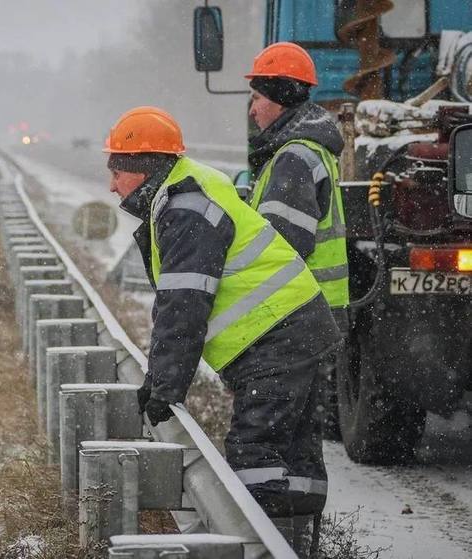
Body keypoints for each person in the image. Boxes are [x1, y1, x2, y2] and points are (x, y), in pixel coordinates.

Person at [104, 106, 340, 554]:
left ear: (142, 167)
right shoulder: (186, 189)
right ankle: (302, 545)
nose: (111, 185)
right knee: (296, 459)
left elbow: (184, 305)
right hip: (297, 330)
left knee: (256, 455)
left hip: (277, 337)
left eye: (116, 171)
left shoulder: (185, 207)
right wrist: (162, 378)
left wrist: (165, 386)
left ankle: (266, 548)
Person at [245, 42, 349, 439]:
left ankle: (272, 501)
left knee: (278, 431)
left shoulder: (292, 158)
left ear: (279, 99)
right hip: (317, 309)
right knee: (302, 428)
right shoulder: (310, 151)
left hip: (296, 312)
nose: (252, 110)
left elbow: (280, 249)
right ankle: (299, 500)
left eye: (257, 97)